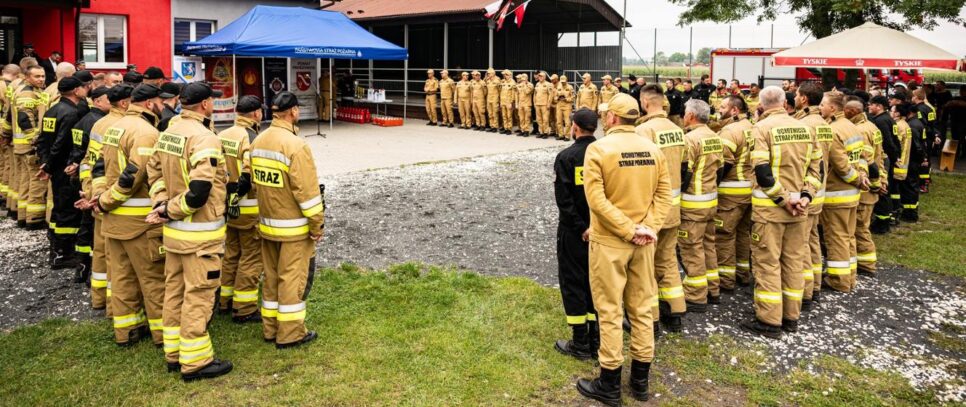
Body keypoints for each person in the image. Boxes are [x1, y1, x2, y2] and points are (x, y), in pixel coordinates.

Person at [576, 93, 671, 405]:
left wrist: (629, 230)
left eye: (607, 115)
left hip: (610, 242)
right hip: (644, 241)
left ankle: (610, 383)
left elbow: (597, 199)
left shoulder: (598, 149)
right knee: (643, 309)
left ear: (613, 119)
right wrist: (648, 229)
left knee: (610, 309)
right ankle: (640, 382)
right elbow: (663, 195)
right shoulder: (653, 149)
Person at [145, 82, 232, 380]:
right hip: (200, 238)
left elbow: (153, 172)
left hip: (173, 235)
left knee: (175, 293)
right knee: (199, 295)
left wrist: (161, 204)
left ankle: (174, 354)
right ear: (206, 104)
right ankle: (196, 362)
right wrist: (170, 209)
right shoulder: (205, 138)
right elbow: (198, 193)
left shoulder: (168, 132)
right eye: (212, 101)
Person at [248, 91, 325, 350]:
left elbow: (255, 183)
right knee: (292, 279)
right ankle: (291, 333)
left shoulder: (258, 140)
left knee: (270, 279)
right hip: (293, 228)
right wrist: (317, 225)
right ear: (293, 112)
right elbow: (308, 193)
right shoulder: (296, 145)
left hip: (267, 224)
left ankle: (270, 329)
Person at [741, 86, 819, 338]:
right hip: (800, 210)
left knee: (767, 264)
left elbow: (763, 173)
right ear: (786, 102)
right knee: (794, 262)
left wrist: (784, 200)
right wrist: (805, 197)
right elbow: (818, 171)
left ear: (761, 106)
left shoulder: (761, 129)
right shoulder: (807, 128)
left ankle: (769, 320)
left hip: (770, 210)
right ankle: (791, 316)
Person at [94, 84, 169, 347]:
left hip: (114, 220)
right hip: (139, 223)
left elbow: (100, 166)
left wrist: (101, 197)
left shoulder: (114, 127)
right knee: (153, 279)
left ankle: (126, 333)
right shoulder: (146, 132)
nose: (164, 105)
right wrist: (107, 200)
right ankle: (162, 335)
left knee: (123, 278)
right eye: (161, 100)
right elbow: (133, 175)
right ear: (149, 103)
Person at [634, 84, 687, 333]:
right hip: (674, 208)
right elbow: (685, 168)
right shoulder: (678, 130)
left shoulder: (644, 131)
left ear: (645, 103)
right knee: (667, 261)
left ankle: (651, 319)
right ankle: (675, 313)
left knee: (646, 266)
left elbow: (641, 172)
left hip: (652, 210)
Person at [553, 107, 599, 361]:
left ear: (575, 127)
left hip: (574, 232)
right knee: (595, 282)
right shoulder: (605, 153)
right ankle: (596, 338)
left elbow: (564, 200)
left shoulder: (566, 157)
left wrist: (581, 228)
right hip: (601, 230)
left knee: (573, 281)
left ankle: (580, 342)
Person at [83, 84, 133, 312]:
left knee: (101, 251)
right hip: (115, 199)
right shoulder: (125, 127)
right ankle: (114, 306)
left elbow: (91, 161)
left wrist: (92, 190)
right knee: (117, 260)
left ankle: (99, 298)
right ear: (124, 103)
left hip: (98, 191)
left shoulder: (99, 124)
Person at [217, 95, 264, 323]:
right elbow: (248, 174)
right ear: (256, 113)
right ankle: (244, 308)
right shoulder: (252, 137)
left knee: (231, 254)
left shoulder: (222, 134)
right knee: (252, 258)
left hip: (229, 210)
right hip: (249, 209)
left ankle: (225, 300)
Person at [819, 91, 870, 294]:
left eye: (823, 104)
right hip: (852, 193)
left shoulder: (833, 130)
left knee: (836, 237)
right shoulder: (852, 127)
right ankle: (849, 277)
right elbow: (864, 156)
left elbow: (841, 166)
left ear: (833, 108)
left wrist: (856, 179)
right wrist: (862, 177)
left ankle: (839, 280)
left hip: (837, 193)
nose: (820, 107)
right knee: (848, 236)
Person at [37, 76, 86, 271]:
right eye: (82, 87)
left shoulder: (52, 110)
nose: (85, 90)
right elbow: (60, 143)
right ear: (76, 91)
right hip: (65, 168)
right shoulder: (72, 113)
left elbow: (42, 140)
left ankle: (56, 250)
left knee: (58, 207)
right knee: (67, 210)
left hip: (55, 168)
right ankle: (64, 254)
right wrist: (49, 165)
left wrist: (45, 162)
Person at [678, 99, 723, 312]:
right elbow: (721, 170)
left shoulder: (689, 140)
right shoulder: (715, 137)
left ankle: (696, 295)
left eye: (686, 112)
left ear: (691, 116)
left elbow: (684, 174)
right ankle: (713, 288)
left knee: (692, 247)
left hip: (693, 203)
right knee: (709, 245)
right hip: (711, 200)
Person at [793, 82, 832, 307]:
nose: (795, 97)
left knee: (801, 244)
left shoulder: (804, 125)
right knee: (813, 240)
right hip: (819, 191)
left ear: (804, 99)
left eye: (797, 95)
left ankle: (805, 292)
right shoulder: (825, 124)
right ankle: (815, 285)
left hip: (806, 193)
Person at [68, 85, 110, 287]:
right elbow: (92, 157)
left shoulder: (86, 121)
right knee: (92, 231)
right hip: (94, 184)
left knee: (86, 229)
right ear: (98, 101)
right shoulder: (99, 123)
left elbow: (82, 155)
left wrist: (84, 179)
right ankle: (86, 268)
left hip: (87, 181)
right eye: (107, 99)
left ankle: (82, 268)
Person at [714, 95, 754, 291]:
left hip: (732, 192)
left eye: (722, 106)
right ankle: (742, 273)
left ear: (734, 110)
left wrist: (714, 185)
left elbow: (725, 163)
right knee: (743, 233)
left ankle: (725, 279)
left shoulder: (730, 131)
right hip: (751, 190)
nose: (719, 110)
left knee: (724, 235)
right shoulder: (753, 126)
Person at [844, 97, 883, 278]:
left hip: (865, 188)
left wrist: (873, 184)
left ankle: (867, 265)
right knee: (861, 226)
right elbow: (880, 157)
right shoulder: (872, 127)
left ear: (852, 111)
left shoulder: (859, 131)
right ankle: (865, 262)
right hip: (871, 186)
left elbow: (867, 162)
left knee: (859, 227)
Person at [12, 65, 49, 229]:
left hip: (21, 146)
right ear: (27, 77)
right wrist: (35, 140)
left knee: (26, 180)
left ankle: (23, 216)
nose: (41, 79)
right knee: (37, 181)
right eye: (37, 76)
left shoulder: (32, 90)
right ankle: (34, 219)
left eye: (42, 76)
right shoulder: (28, 93)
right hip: (29, 147)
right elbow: (24, 118)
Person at [868, 96, 899, 234]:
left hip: (884, 158)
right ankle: (885, 218)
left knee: (883, 190)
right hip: (888, 158)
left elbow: (887, 142)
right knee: (887, 188)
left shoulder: (880, 121)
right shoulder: (887, 118)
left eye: (871, 105)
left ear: (879, 106)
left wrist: (892, 158)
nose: (869, 107)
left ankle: (882, 222)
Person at [897, 102, 925, 222]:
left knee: (910, 186)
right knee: (912, 186)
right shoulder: (917, 123)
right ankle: (910, 211)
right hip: (915, 160)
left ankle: (910, 214)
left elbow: (917, 147)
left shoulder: (912, 126)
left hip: (912, 160)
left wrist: (919, 159)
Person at [910, 89, 937, 192]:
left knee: (922, 161)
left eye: (913, 96)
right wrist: (935, 135)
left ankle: (922, 185)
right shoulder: (929, 108)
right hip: (929, 138)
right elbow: (932, 124)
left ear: (916, 97)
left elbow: (922, 124)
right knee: (927, 160)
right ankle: (925, 182)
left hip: (922, 138)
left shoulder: (918, 110)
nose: (912, 98)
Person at [534, 71, 554, 138]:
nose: (540, 77)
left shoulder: (548, 84)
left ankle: (545, 132)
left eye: (541, 76)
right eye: (539, 76)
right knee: (539, 119)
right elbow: (535, 94)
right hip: (537, 104)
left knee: (545, 119)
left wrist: (549, 104)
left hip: (544, 104)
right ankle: (541, 132)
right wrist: (534, 102)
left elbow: (550, 95)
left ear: (545, 77)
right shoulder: (537, 84)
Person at [554, 75, 575, 140]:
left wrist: (566, 99)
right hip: (559, 105)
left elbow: (573, 97)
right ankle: (561, 135)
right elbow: (555, 96)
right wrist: (557, 98)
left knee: (567, 122)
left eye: (564, 82)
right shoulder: (558, 87)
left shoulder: (570, 87)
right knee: (559, 121)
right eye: (562, 82)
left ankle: (567, 136)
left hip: (567, 106)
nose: (563, 83)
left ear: (566, 80)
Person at [499, 70, 516, 134]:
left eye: (506, 75)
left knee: (509, 116)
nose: (505, 76)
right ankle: (505, 128)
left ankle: (509, 129)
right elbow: (501, 92)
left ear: (509, 75)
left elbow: (513, 94)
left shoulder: (512, 82)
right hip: (503, 101)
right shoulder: (503, 82)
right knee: (504, 116)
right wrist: (500, 102)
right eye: (504, 75)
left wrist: (512, 102)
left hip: (508, 102)